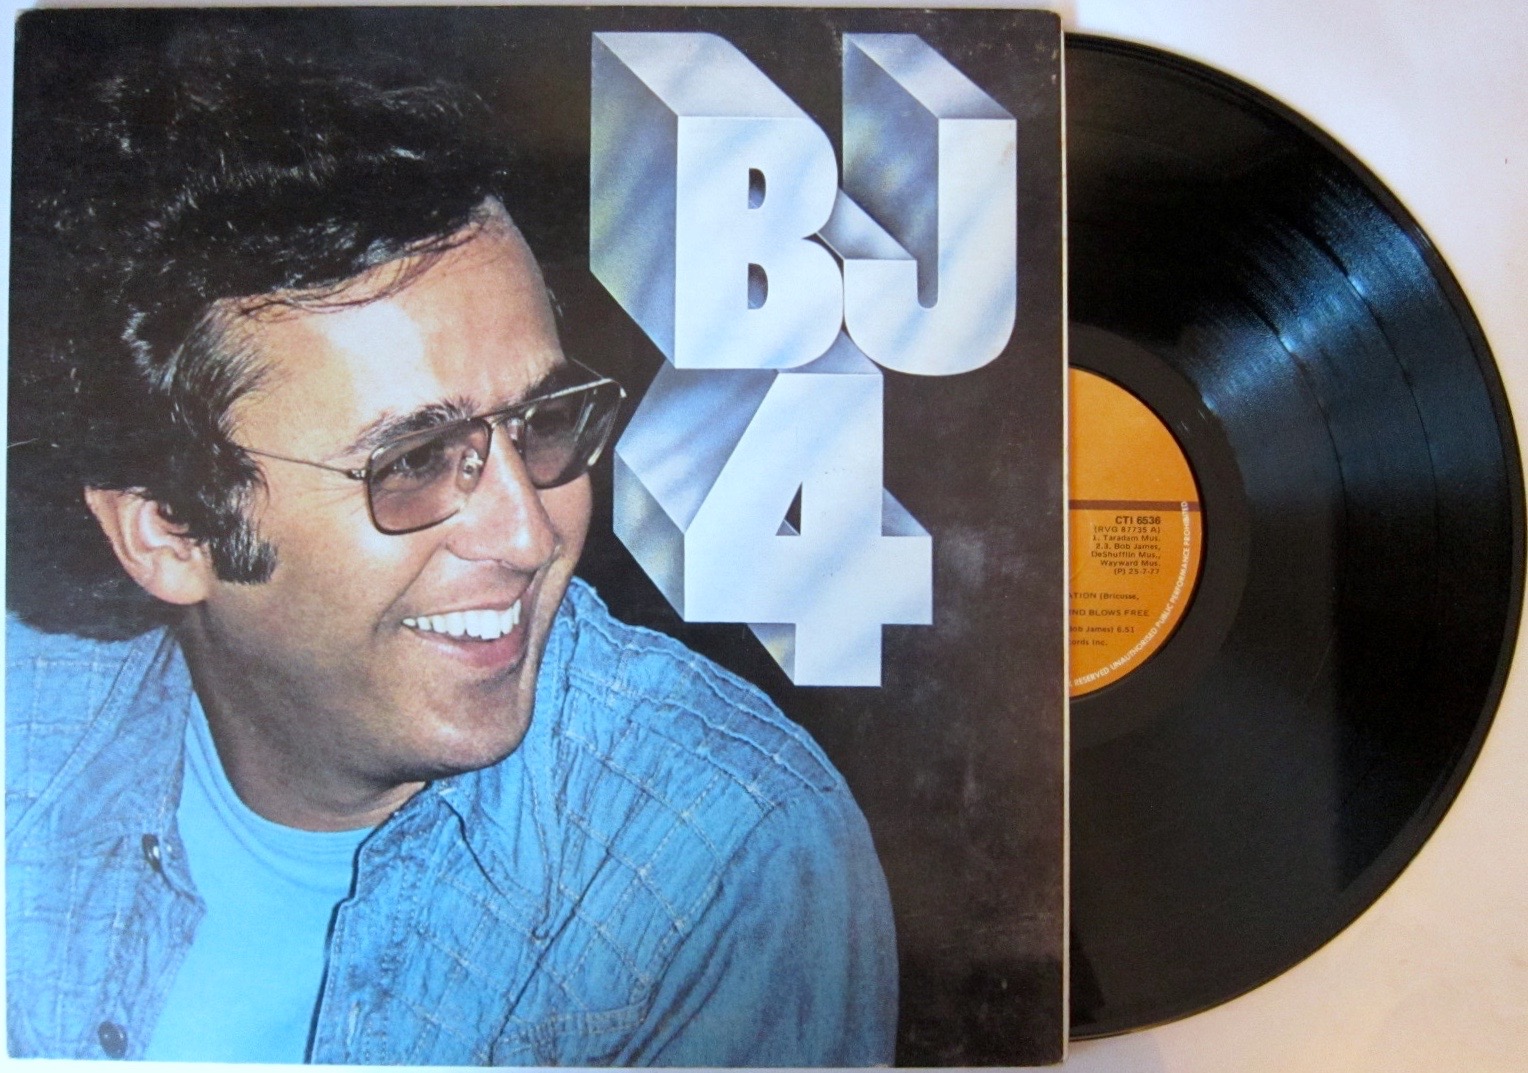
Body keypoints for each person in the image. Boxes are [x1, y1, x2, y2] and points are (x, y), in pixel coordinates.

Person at [5, 29, 896, 1064]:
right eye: (416, 460)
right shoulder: (24, 707)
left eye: (542, 420)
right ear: (168, 530)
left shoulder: (732, 860)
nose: (531, 532)